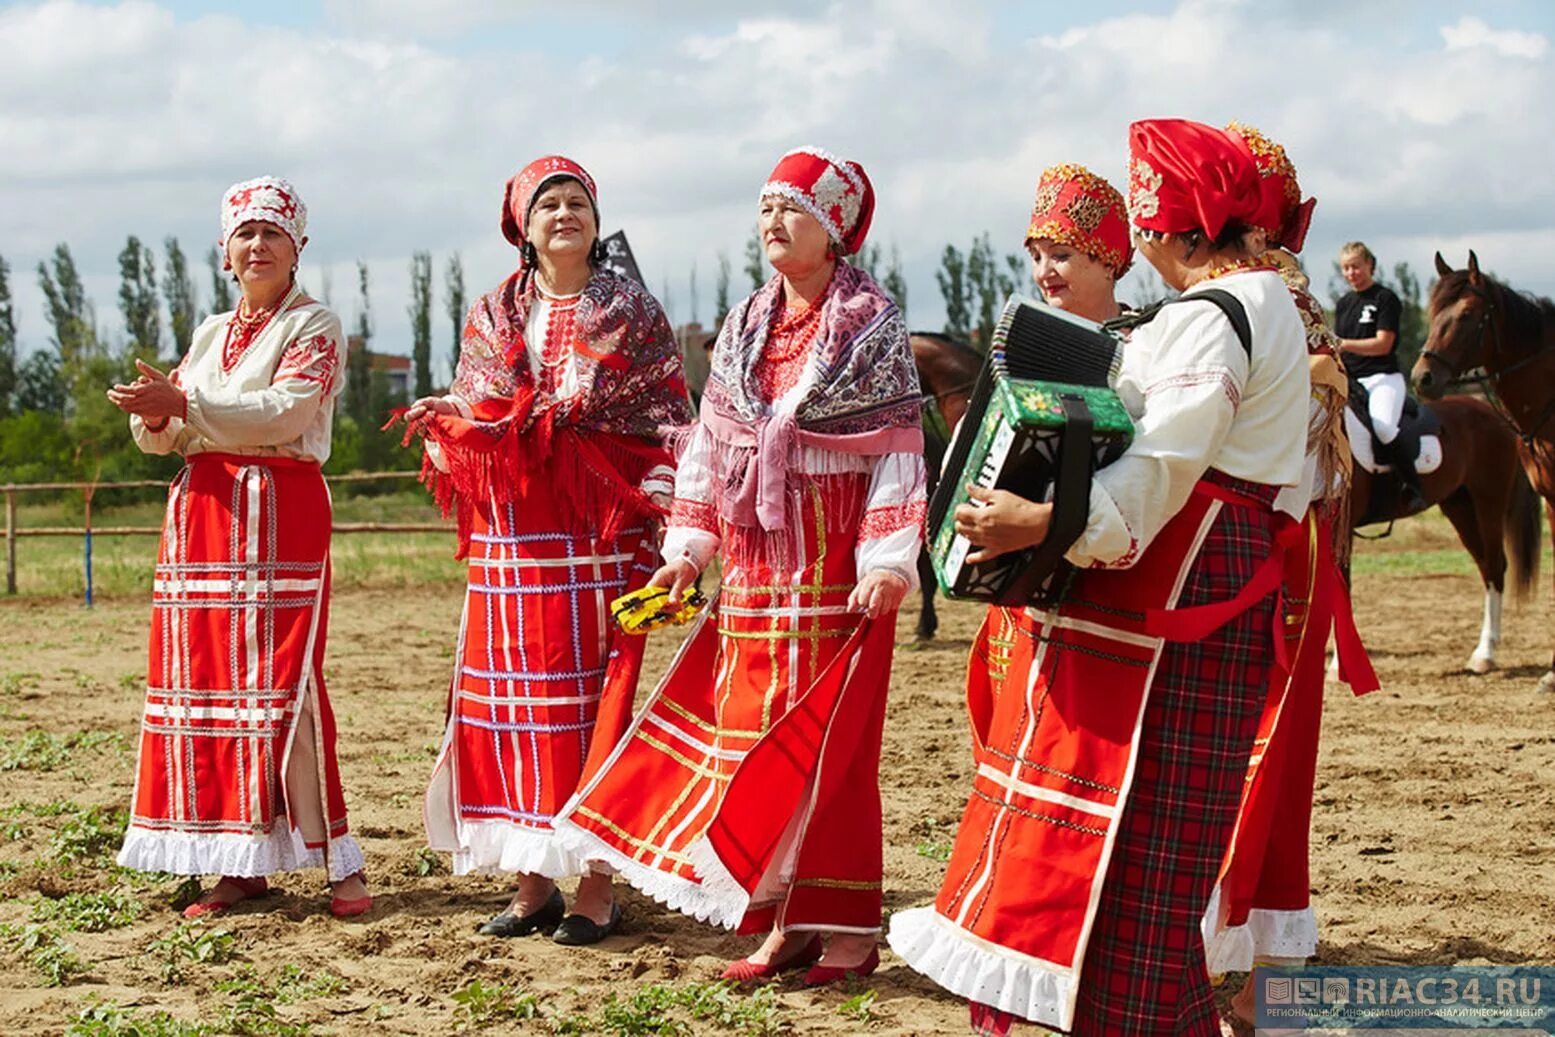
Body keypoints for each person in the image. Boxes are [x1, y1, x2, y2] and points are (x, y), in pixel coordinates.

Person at [888, 119, 1310, 1036]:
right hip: (1203, 590)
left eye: (1143, 221)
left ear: (1170, 227)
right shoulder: (1259, 301)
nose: (1142, 240)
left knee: (1117, 846)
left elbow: (1164, 462)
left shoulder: (1213, 315)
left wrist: (1046, 521)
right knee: (1152, 861)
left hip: (1165, 606)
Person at [552, 146, 927, 984]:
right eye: (764, 209)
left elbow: (899, 453)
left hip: (837, 577)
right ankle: (779, 922)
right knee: (750, 745)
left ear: (833, 229)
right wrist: (685, 554)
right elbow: (709, 455)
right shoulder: (745, 322)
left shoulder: (873, 327)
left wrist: (888, 560)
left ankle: (846, 931)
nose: (771, 223)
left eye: (791, 209)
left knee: (829, 751)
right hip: (755, 583)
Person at [405, 156, 691, 946]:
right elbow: (477, 406)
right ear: (521, 227)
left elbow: (667, 412)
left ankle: (595, 887)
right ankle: (531, 882)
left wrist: (670, 508)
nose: (564, 214)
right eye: (548, 204)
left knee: (595, 703)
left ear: (596, 221)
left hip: (596, 533)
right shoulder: (491, 313)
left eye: (577, 202)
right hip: (512, 539)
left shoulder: (632, 311)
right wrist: (449, 422)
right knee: (509, 709)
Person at [108, 176, 370, 919]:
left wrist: (185, 404)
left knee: (283, 684)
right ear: (226, 254)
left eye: (272, 234)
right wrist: (158, 418)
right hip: (203, 520)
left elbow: (284, 411)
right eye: (244, 235)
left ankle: (335, 863)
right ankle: (238, 860)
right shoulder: (209, 332)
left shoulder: (315, 326)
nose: (257, 247)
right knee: (210, 690)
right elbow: (179, 436)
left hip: (278, 510)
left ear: (297, 248)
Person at [1208, 123, 1379, 1028]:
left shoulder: (1276, 299)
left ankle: (1234, 940)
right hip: (1285, 538)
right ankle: (1249, 938)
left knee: (1252, 740)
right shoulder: (1286, 298)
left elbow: (1319, 430)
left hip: (1262, 542)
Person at [969, 162, 1135, 721]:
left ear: (1108, 259)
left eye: (1061, 255)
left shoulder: (1148, 345)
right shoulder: (1020, 343)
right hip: (1023, 578)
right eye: (1036, 256)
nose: (1045, 271)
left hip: (1109, 574)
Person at [1334, 241, 1419, 505]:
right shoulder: (1344, 303)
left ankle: (1413, 485)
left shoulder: (1385, 298)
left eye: (1356, 267)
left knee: (1382, 427)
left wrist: (1345, 344)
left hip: (1382, 378)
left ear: (1370, 265)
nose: (1351, 273)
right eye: (1346, 268)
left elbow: (1383, 345)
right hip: (1351, 379)